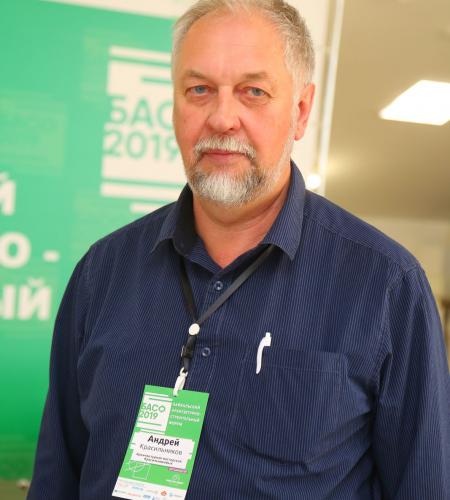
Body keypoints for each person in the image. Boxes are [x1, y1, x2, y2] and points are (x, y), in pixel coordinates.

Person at [28, 0, 450, 498]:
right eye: (199, 90)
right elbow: (57, 476)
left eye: (253, 91)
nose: (222, 118)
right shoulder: (101, 273)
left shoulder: (386, 285)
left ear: (300, 111)